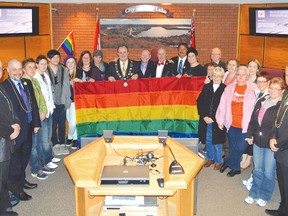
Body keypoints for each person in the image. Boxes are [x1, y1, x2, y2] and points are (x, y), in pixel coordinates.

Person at [1, 59, 41, 201]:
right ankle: (17, 189)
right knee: (15, 160)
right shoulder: (4, 87)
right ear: (7, 70)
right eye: (14, 69)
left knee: (25, 155)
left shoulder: (27, 82)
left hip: (29, 126)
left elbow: (34, 104)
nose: (18, 72)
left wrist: (36, 123)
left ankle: (22, 180)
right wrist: (13, 127)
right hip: (16, 129)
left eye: (19, 69)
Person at [244, 77, 284, 207]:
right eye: (271, 88)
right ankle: (254, 192)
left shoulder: (282, 107)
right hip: (257, 141)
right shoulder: (261, 101)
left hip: (270, 144)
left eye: (276, 89)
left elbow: (279, 127)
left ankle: (265, 195)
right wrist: (250, 134)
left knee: (268, 171)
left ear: (282, 91)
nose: (273, 91)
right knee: (257, 169)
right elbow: (253, 120)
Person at [216, 66, 256, 177]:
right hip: (232, 123)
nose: (241, 77)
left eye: (243, 74)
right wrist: (220, 119)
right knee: (233, 146)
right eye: (239, 74)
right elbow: (222, 104)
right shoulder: (229, 88)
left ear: (247, 76)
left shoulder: (253, 88)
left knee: (240, 147)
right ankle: (236, 168)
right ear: (236, 75)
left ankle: (227, 162)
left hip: (246, 125)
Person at [22, 58, 55, 180]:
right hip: (30, 120)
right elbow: (28, 105)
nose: (32, 69)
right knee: (34, 145)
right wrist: (36, 119)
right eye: (29, 67)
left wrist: (43, 111)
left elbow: (41, 99)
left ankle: (42, 164)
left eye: (33, 67)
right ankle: (35, 169)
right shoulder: (23, 83)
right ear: (24, 70)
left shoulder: (34, 81)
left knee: (40, 143)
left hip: (39, 117)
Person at [265, 65, 288, 216]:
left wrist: (279, 144)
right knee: (283, 183)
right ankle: (283, 209)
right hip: (281, 148)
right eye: (287, 74)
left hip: (285, 148)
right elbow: (278, 118)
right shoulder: (286, 94)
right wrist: (273, 137)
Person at [242, 71, 271, 191]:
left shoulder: (270, 96)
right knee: (258, 161)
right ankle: (254, 178)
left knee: (264, 163)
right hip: (255, 130)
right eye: (258, 81)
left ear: (268, 82)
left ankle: (259, 183)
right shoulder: (257, 93)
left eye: (263, 82)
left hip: (265, 134)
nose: (260, 84)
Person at [0, 60, 20, 216]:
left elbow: (11, 109)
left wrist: (17, 124)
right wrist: (9, 131)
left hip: (6, 142)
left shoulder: (1, 89)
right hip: (2, 140)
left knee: (3, 177)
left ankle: (5, 205)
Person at [197, 67, 226, 170]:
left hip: (218, 120)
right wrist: (204, 116)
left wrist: (214, 118)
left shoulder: (225, 89)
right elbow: (200, 102)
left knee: (217, 142)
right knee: (208, 140)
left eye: (219, 76)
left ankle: (218, 161)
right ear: (211, 76)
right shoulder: (207, 87)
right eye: (214, 75)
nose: (216, 78)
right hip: (206, 119)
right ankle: (211, 158)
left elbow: (225, 106)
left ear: (222, 77)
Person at [34, 55, 60, 169]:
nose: (44, 66)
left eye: (45, 64)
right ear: (37, 65)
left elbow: (49, 92)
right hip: (42, 113)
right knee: (43, 139)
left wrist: (52, 107)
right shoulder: (35, 78)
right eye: (41, 64)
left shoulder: (45, 75)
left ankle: (49, 156)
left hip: (50, 110)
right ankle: (47, 160)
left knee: (48, 136)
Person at [46, 49, 71, 156]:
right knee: (52, 125)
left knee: (62, 124)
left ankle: (62, 143)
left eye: (57, 57)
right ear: (49, 59)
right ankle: (55, 143)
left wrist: (67, 101)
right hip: (51, 103)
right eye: (53, 57)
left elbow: (67, 86)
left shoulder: (64, 69)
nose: (56, 59)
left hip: (62, 101)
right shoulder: (45, 70)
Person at [240, 59, 262, 170]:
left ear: (257, 69)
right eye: (250, 66)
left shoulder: (259, 81)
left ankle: (249, 157)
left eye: (254, 66)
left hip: (255, 111)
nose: (251, 68)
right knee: (245, 134)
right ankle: (244, 156)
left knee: (251, 134)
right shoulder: (245, 79)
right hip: (245, 111)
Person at [64, 55, 78, 150]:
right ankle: (74, 138)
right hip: (65, 101)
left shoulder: (79, 73)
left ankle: (71, 137)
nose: (70, 64)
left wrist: (78, 81)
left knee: (73, 123)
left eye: (72, 62)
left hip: (75, 101)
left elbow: (86, 85)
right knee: (69, 121)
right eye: (68, 62)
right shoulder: (63, 73)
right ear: (65, 64)